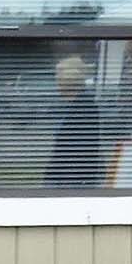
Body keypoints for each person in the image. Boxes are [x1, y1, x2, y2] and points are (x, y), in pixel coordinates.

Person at [45, 55, 105, 188]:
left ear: (68, 81)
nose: (56, 83)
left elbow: (81, 150)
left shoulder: (84, 108)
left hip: (72, 181)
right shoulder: (72, 105)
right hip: (67, 178)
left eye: (58, 79)